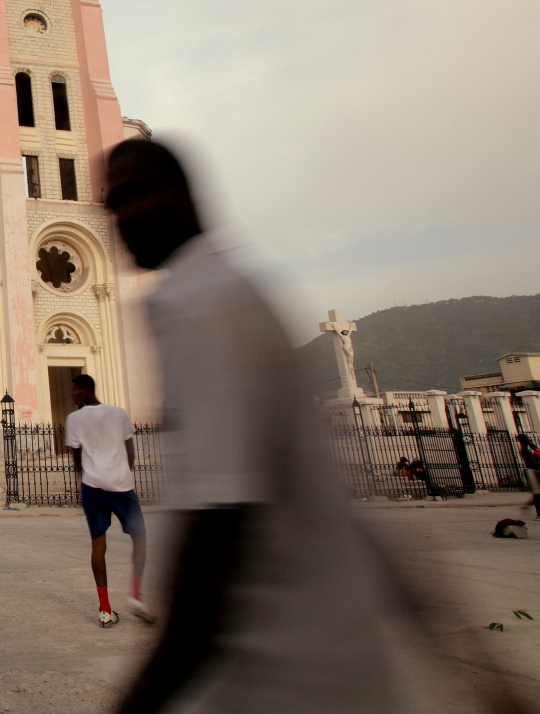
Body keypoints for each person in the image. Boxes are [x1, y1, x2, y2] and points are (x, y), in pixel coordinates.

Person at [102, 138, 472, 714]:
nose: (115, 220)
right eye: (110, 204)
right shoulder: (233, 290)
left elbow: (218, 532)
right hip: (315, 662)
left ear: (176, 196)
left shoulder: (202, 305)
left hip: (277, 673)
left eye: (128, 198)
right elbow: (332, 505)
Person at [64, 373, 153, 627]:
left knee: (98, 545)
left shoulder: (75, 419)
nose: (71, 394)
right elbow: (130, 450)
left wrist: (87, 477)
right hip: (122, 486)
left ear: (86, 390)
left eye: (74, 390)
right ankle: (135, 594)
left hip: (93, 487)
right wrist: (122, 471)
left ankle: (105, 609)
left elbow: (76, 457)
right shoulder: (119, 413)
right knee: (140, 538)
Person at [518, 434, 540, 521]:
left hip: (534, 470)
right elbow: (532, 461)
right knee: (538, 492)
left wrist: (535, 449)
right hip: (531, 471)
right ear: (522, 440)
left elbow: (537, 457)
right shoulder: (524, 450)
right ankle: (538, 513)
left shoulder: (527, 449)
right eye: (526, 439)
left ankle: (531, 508)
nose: (528, 440)